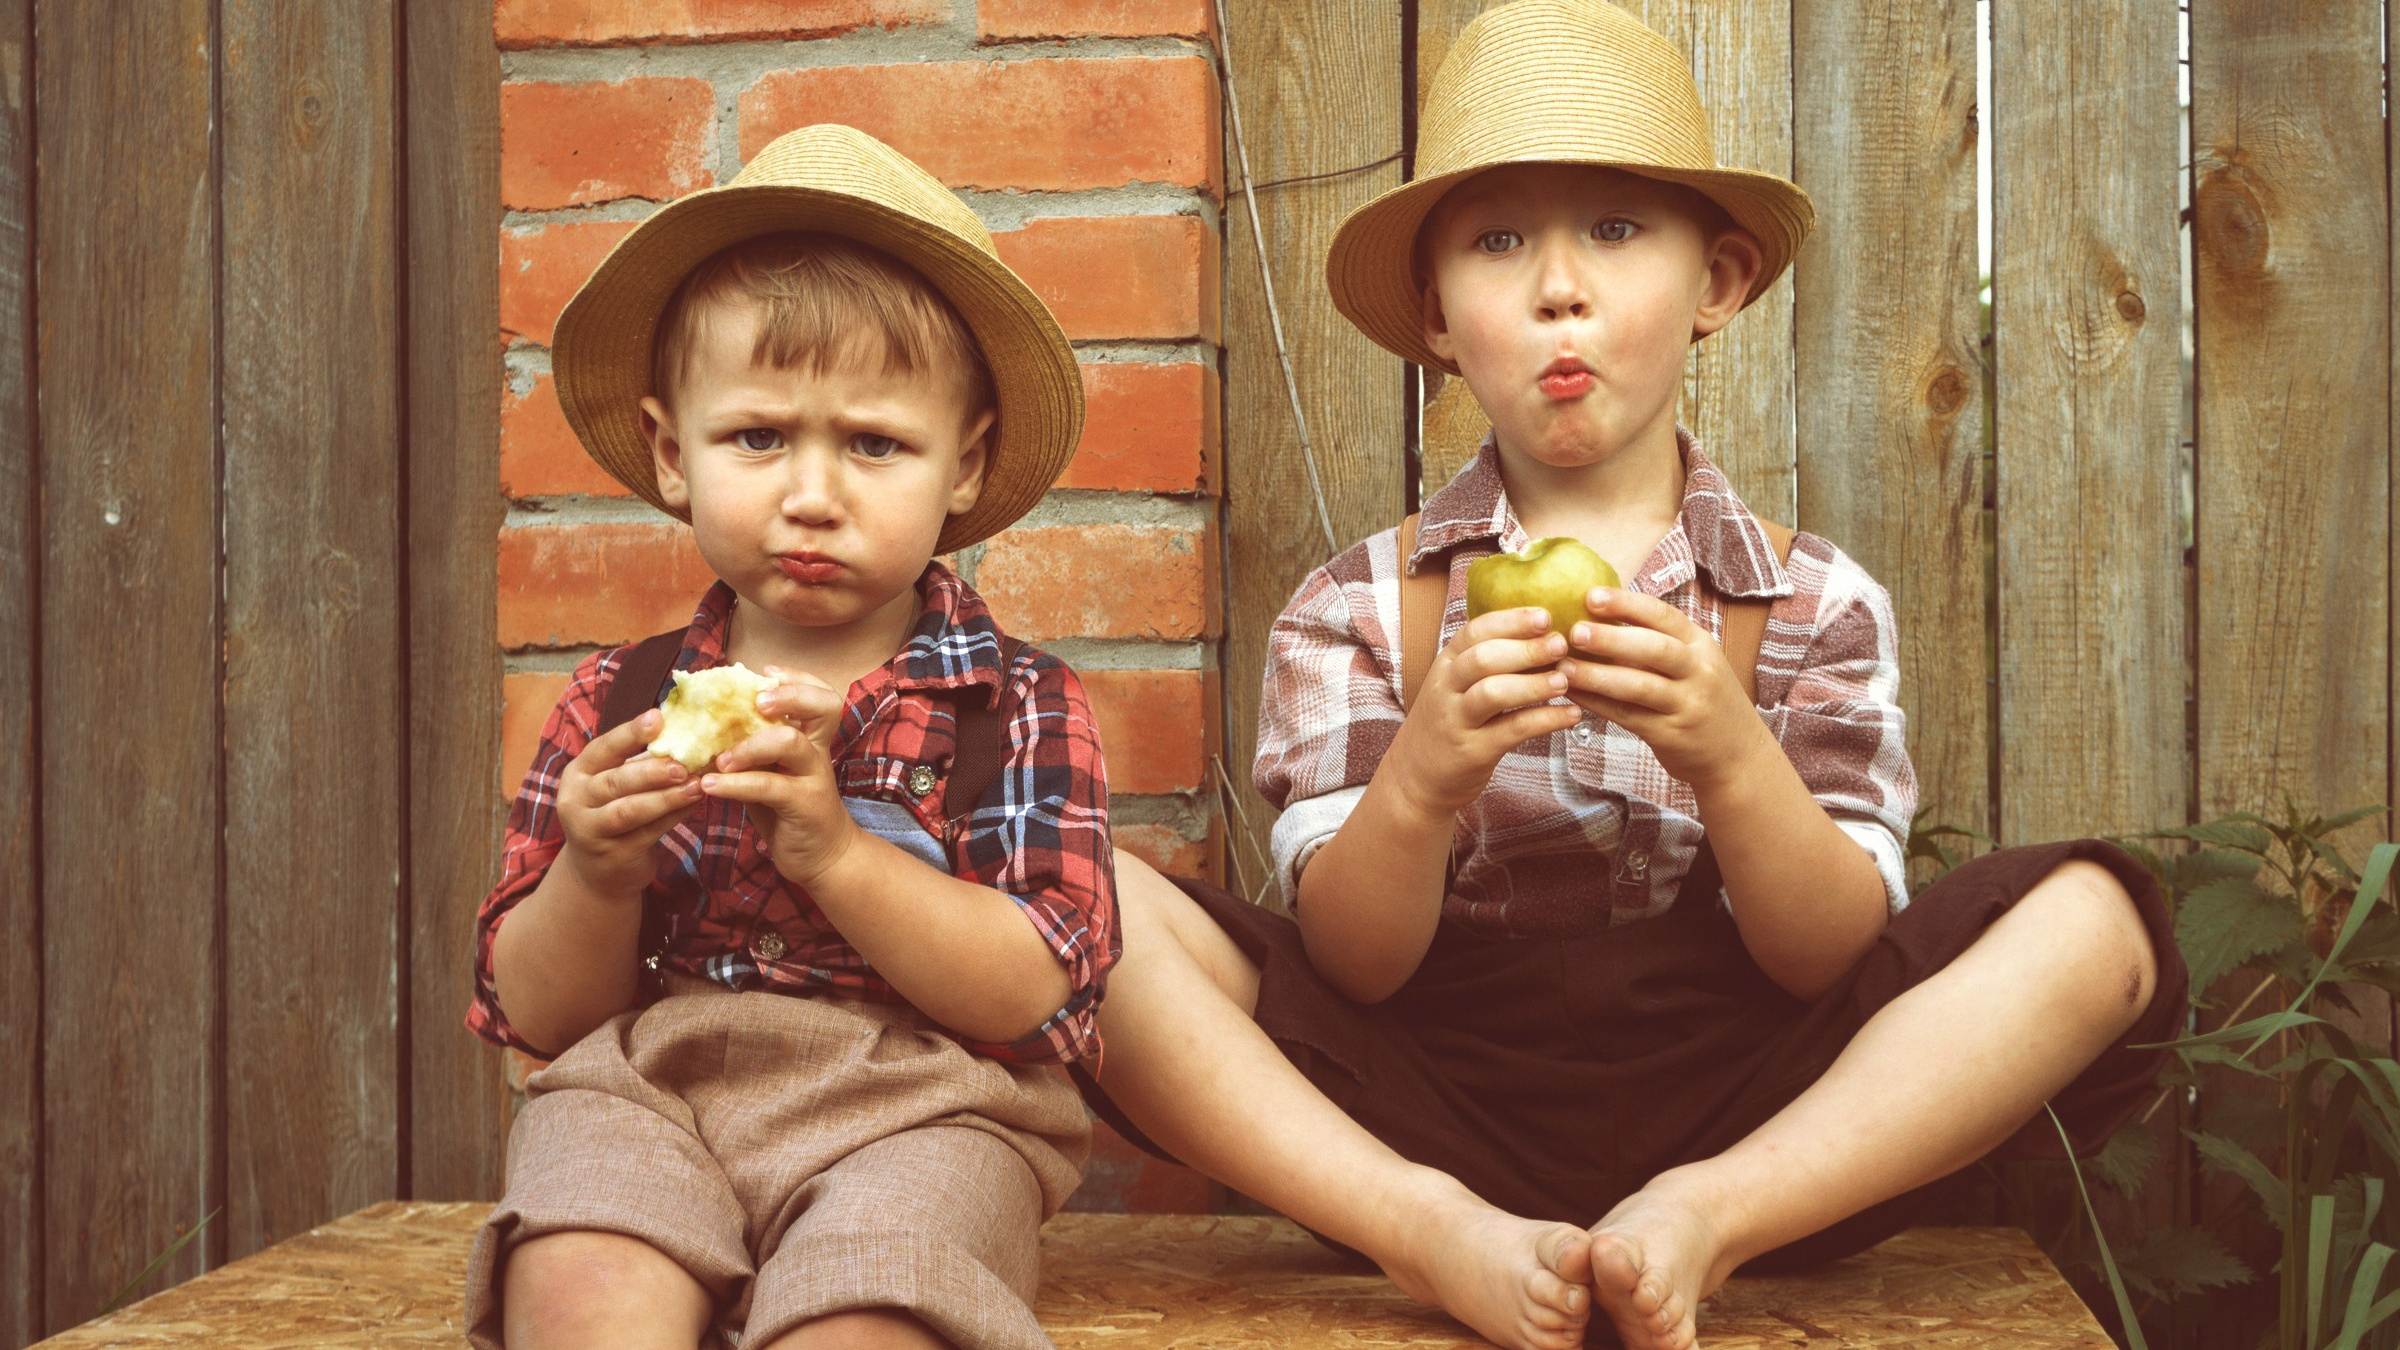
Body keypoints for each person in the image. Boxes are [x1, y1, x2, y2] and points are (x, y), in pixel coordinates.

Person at [1077, 5, 2188, 1350]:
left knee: (2100, 921)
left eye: (1613, 230)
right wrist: (1424, 779)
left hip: (1760, 1108)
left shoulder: (1813, 601)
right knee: (1084, 904)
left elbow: (1828, 958)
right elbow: (1355, 970)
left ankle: (1710, 1216)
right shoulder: (1358, 606)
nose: (1559, 289)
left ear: (1717, 281)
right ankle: (1421, 1229)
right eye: (1498, 243)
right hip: (1430, 1106)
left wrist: (1729, 753)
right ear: (1436, 313)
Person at [460, 124, 1117, 1350]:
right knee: (581, 1292)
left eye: (874, 443)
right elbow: (538, 1016)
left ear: (963, 467)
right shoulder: (618, 698)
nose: (812, 496)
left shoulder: (1018, 705)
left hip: (927, 1110)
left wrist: (837, 852)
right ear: (673, 455)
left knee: (870, 1316)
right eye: (758, 437)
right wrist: (595, 872)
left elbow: (1036, 997)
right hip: (652, 1091)